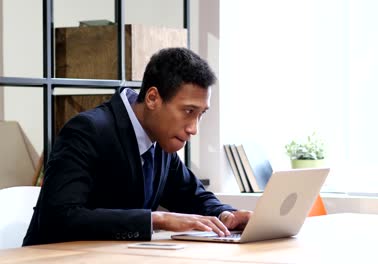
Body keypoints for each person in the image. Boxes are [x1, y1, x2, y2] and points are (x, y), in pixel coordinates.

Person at [23, 47, 252, 246]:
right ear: (153, 98)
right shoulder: (87, 130)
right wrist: (156, 219)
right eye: (188, 112)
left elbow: (193, 196)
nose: (194, 128)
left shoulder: (161, 141)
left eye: (200, 115)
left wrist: (227, 214)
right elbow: (60, 217)